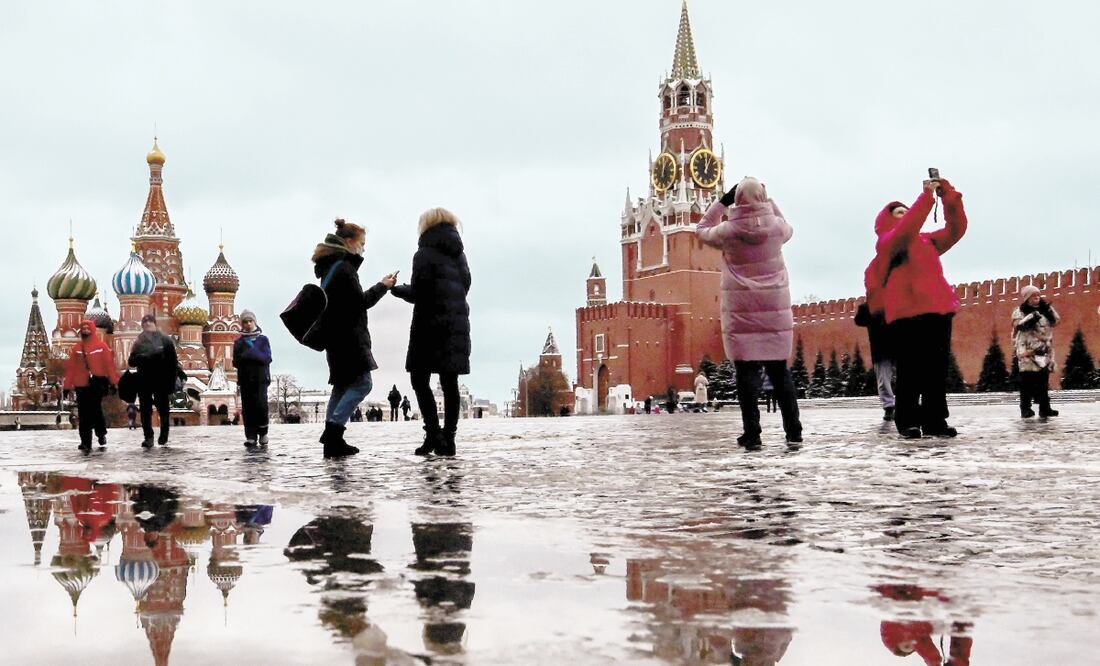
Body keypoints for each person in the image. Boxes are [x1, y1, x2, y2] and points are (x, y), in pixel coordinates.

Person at [697, 177, 803, 451]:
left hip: (742, 313)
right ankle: (794, 431)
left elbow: (701, 229)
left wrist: (722, 202)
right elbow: (788, 226)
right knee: (781, 374)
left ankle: (752, 434)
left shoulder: (729, 231)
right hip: (775, 312)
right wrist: (768, 202)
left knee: (746, 378)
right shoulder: (777, 229)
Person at [869, 178, 968, 439]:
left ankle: (935, 420)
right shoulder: (888, 241)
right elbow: (905, 230)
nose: (905, 215)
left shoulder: (927, 241)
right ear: (887, 220)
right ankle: (908, 420)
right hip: (906, 313)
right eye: (899, 212)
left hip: (938, 309)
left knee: (936, 371)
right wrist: (925, 198)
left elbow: (957, 229)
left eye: (906, 211)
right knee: (911, 370)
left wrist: (947, 195)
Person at [312, 219, 397, 458]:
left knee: (341, 386)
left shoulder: (330, 267)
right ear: (349, 242)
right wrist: (383, 286)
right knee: (362, 383)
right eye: (361, 243)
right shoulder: (344, 268)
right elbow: (359, 303)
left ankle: (332, 441)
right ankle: (333, 432)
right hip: (348, 337)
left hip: (335, 338)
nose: (363, 249)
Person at [392, 208, 472, 457]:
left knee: (419, 378)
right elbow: (466, 283)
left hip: (428, 324)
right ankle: (448, 439)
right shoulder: (460, 254)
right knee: (450, 381)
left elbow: (418, 292)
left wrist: (396, 289)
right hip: (456, 323)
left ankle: (433, 434)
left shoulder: (423, 254)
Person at [62, 320, 120, 451]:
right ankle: (85, 442)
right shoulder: (77, 348)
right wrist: (66, 386)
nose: (85, 330)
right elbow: (71, 369)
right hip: (81, 385)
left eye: (88, 328)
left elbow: (109, 366)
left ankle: (101, 433)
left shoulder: (101, 347)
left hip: (97, 384)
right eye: (83, 329)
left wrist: (114, 382)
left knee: (96, 411)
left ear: (93, 330)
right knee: (84, 414)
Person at [128, 314, 178, 448]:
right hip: (144, 381)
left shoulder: (165, 341)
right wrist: (142, 357)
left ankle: (164, 435)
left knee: (163, 410)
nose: (147, 325)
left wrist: (171, 382)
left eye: (149, 323)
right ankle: (148, 437)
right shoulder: (139, 342)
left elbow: (173, 363)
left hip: (162, 381)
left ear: (155, 324)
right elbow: (131, 361)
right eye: (144, 324)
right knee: (145, 410)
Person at [1012, 285, 1060, 418]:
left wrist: (1047, 310)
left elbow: (1056, 321)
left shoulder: (1045, 309)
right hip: (1027, 351)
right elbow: (1019, 326)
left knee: (1043, 381)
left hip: (1043, 351)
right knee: (1027, 382)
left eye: (1038, 295)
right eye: (1033, 295)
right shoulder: (1020, 311)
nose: (1037, 297)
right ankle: (1025, 409)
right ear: (1027, 298)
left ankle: (1045, 408)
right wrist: (1032, 317)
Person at [233, 309, 273, 447]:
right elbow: (236, 362)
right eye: (245, 322)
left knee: (261, 406)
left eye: (250, 321)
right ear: (242, 324)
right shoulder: (239, 342)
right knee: (248, 408)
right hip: (245, 380)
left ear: (254, 322)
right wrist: (251, 355)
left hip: (261, 379)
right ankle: (250, 436)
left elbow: (266, 358)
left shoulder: (263, 340)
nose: (248, 324)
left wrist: (250, 353)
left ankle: (263, 433)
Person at [854, 300, 897, 421]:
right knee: (883, 380)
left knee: (907, 378)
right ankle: (889, 407)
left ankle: (908, 406)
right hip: (880, 349)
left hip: (899, 346)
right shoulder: (869, 306)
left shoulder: (897, 301)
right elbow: (859, 320)